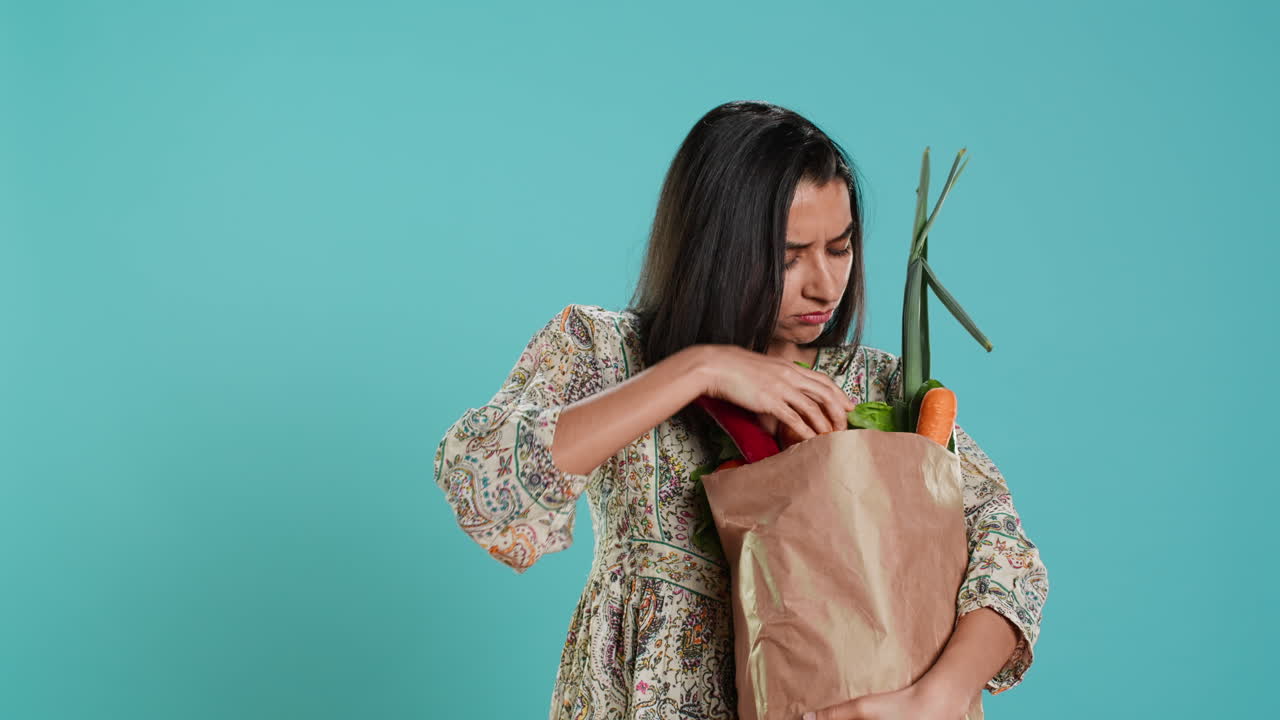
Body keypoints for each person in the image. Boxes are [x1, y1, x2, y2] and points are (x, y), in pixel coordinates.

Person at [433, 100, 1049, 720]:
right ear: (712, 248)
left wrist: (936, 696)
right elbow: (483, 483)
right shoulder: (606, 353)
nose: (824, 285)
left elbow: (1008, 556)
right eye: (787, 256)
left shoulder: (881, 386)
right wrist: (700, 367)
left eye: (839, 248)